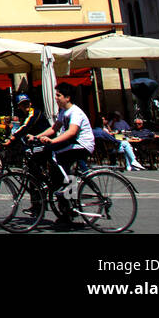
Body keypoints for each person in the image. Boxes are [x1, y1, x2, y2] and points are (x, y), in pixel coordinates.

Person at [31, 82, 95, 220]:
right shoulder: (63, 112)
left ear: (68, 97)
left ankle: (66, 188)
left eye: (58, 95)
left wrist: (53, 141)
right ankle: (67, 206)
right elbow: (54, 129)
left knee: (56, 155)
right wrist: (36, 137)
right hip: (72, 144)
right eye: (55, 95)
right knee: (47, 152)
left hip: (83, 145)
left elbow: (72, 132)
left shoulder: (75, 112)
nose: (56, 98)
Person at [0, 94, 45, 162]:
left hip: (44, 141)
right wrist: (4, 143)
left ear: (30, 103)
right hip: (35, 142)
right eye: (22, 104)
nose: (25, 105)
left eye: (26, 103)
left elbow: (25, 127)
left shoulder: (34, 112)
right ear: (19, 106)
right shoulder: (23, 116)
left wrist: (11, 139)